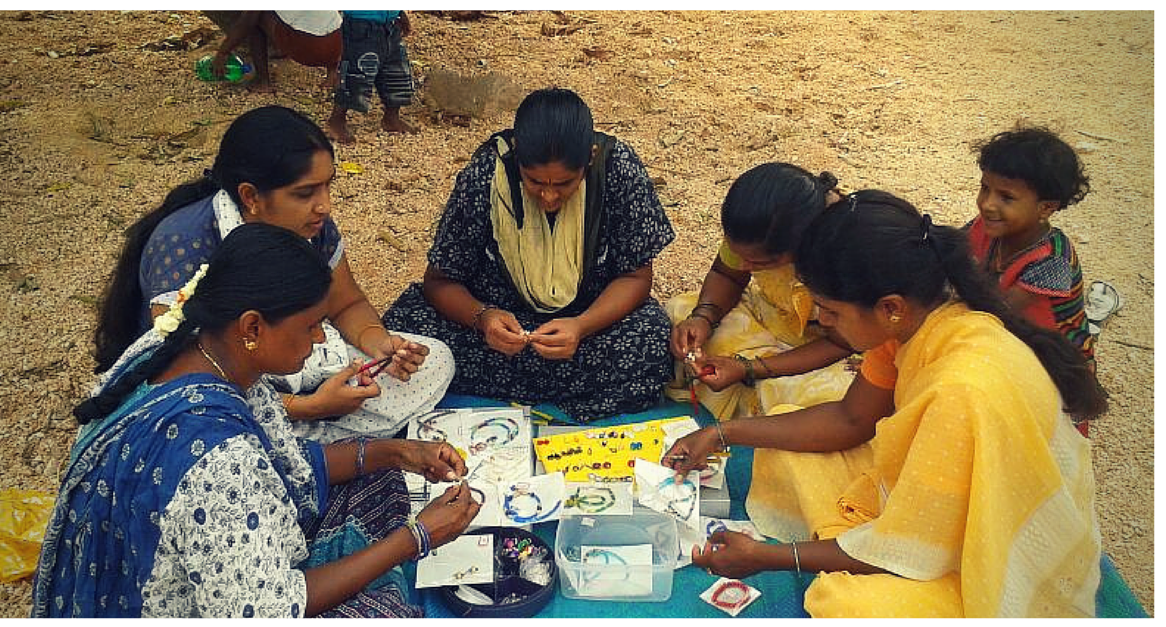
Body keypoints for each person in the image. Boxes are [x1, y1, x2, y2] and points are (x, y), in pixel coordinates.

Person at [664, 191, 1107, 617]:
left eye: (830, 312)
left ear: (889, 307)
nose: (823, 323)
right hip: (929, 493)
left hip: (996, 552)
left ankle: (838, 546)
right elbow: (850, 418)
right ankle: (841, 537)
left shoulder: (959, 391)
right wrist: (721, 433)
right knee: (782, 446)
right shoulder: (910, 323)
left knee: (846, 603)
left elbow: (913, 546)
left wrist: (773, 556)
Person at [32, 224, 481, 617]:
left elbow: (285, 463)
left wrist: (398, 451)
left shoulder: (195, 345)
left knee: (381, 477)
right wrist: (415, 538)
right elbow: (267, 610)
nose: (322, 338)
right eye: (309, 326)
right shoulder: (219, 459)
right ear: (251, 328)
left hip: (209, 552)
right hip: (187, 605)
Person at [93, 105, 452, 441]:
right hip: (221, 391)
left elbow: (345, 304)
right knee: (210, 430)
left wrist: (381, 346)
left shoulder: (315, 226)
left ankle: (308, 443)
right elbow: (188, 379)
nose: (324, 205)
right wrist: (308, 407)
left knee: (436, 360)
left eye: (329, 186)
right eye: (305, 192)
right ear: (250, 196)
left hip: (293, 359)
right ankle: (313, 445)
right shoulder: (185, 245)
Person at [382, 87, 676, 420]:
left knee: (652, 338)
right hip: (497, 329)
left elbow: (636, 277)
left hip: (587, 327)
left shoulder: (618, 169)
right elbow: (440, 282)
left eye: (564, 184)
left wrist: (581, 326)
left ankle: (495, 388)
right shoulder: (485, 174)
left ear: (590, 158)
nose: (549, 197)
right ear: (518, 154)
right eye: (534, 181)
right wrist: (483, 318)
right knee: (406, 329)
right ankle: (571, 393)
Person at [666, 163, 855, 421]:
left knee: (829, 399)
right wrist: (703, 317)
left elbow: (842, 342)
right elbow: (727, 275)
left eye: (760, 263)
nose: (744, 266)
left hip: (836, 347)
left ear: (801, 247)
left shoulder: (846, 251)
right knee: (679, 311)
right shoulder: (760, 226)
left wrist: (749, 369)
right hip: (772, 318)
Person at [966, 127, 1097, 434]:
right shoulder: (985, 228)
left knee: (1045, 436)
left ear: (1046, 208)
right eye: (985, 188)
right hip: (1010, 340)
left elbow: (993, 311)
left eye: (1006, 197)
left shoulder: (1052, 260)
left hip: (1052, 359)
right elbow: (949, 260)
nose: (987, 204)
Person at [326, 11, 417, 142]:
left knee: (396, 73)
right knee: (355, 76)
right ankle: (336, 120)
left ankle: (391, 118)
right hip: (360, 25)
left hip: (390, 24)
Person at [211, 11, 343, 93]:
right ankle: (332, 73)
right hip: (339, 45)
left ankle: (263, 81)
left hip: (308, 50)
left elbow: (246, 23)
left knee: (254, 17)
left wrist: (223, 52)